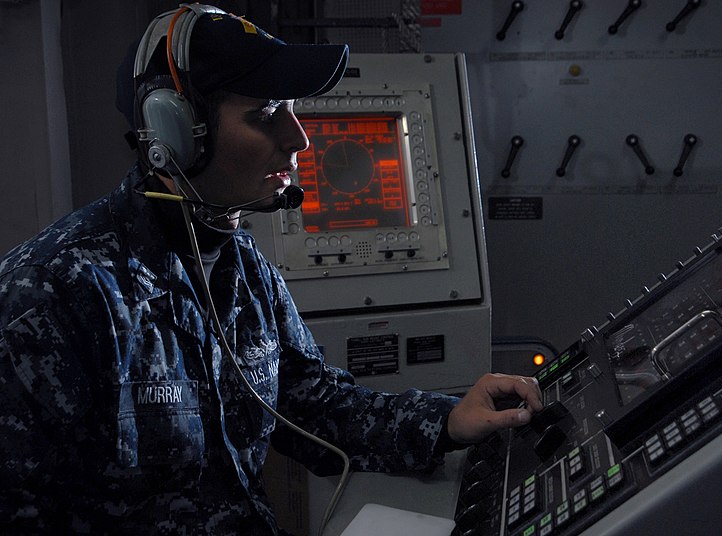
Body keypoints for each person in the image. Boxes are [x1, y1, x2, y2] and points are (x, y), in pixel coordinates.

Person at [0, 5, 543, 534]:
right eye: (264, 114)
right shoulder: (52, 297)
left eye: (289, 107)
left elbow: (310, 403)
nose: (298, 138)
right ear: (174, 133)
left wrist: (447, 421)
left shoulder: (241, 263)